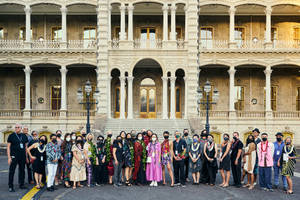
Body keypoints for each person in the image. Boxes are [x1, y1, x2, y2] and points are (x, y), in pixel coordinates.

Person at [7, 124, 29, 192]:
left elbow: (25, 147)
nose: (16, 128)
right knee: (12, 171)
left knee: (22, 170)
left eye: (18, 127)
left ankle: (21, 184)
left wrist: (26, 157)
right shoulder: (11, 136)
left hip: (22, 156)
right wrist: (9, 157)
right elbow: (8, 147)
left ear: (21, 128)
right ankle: (10, 186)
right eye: (15, 127)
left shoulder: (24, 136)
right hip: (14, 156)